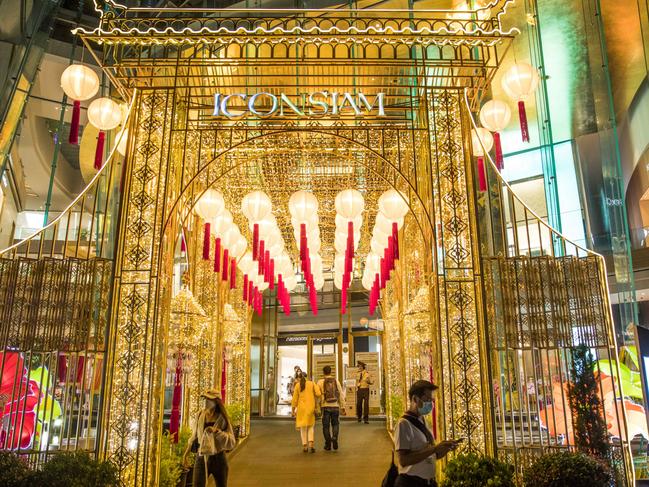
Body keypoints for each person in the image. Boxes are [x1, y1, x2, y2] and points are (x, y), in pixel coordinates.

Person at [394, 380, 461, 487]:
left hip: (428, 482)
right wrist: (434, 448)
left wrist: (445, 448)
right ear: (415, 399)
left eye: (431, 400)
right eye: (427, 400)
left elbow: (430, 455)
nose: (430, 404)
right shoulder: (404, 424)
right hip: (411, 482)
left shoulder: (423, 420)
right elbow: (403, 460)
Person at [183, 389, 236, 487]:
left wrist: (217, 432)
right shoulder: (199, 415)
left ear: (216, 402)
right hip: (201, 457)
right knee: (197, 484)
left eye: (209, 399)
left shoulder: (223, 418)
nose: (205, 401)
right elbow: (194, 436)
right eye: (204, 398)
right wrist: (185, 454)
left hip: (219, 458)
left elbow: (231, 442)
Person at [316, 365, 345, 451]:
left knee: (325, 426)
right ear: (330, 371)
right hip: (335, 406)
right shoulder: (336, 381)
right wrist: (342, 406)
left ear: (323, 372)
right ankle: (335, 437)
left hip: (325, 406)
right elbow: (340, 394)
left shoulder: (320, 382)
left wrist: (317, 406)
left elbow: (317, 396)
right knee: (335, 424)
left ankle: (328, 444)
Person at [291, 372, 322, 453]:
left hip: (301, 409)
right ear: (307, 377)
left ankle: (305, 446)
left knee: (303, 427)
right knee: (311, 426)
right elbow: (318, 393)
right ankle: (311, 444)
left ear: (299, 378)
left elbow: (294, 399)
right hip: (310, 408)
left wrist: (293, 410)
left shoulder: (297, 385)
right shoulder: (312, 384)